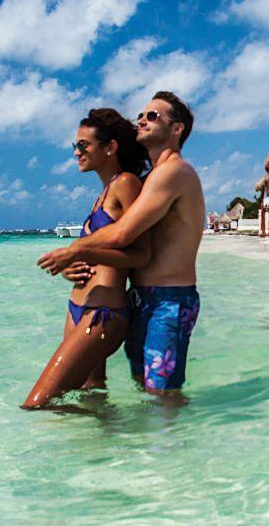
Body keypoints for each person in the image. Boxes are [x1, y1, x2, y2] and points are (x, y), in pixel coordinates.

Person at [38, 91, 204, 396]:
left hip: (169, 298)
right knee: (146, 392)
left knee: (162, 396)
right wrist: (75, 264)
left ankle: (172, 443)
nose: (142, 119)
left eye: (153, 116)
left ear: (177, 129)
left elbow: (123, 234)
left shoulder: (173, 172)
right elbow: (120, 242)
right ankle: (139, 445)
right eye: (141, 115)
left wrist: (73, 250)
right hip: (140, 298)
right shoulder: (152, 177)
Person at [21, 109, 151, 409]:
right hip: (78, 307)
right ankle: (117, 454)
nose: (77, 152)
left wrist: (81, 251)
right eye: (74, 147)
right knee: (92, 399)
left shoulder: (126, 184)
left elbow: (142, 255)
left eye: (83, 145)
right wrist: (72, 269)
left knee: (38, 404)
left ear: (110, 147)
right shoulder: (103, 193)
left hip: (103, 313)